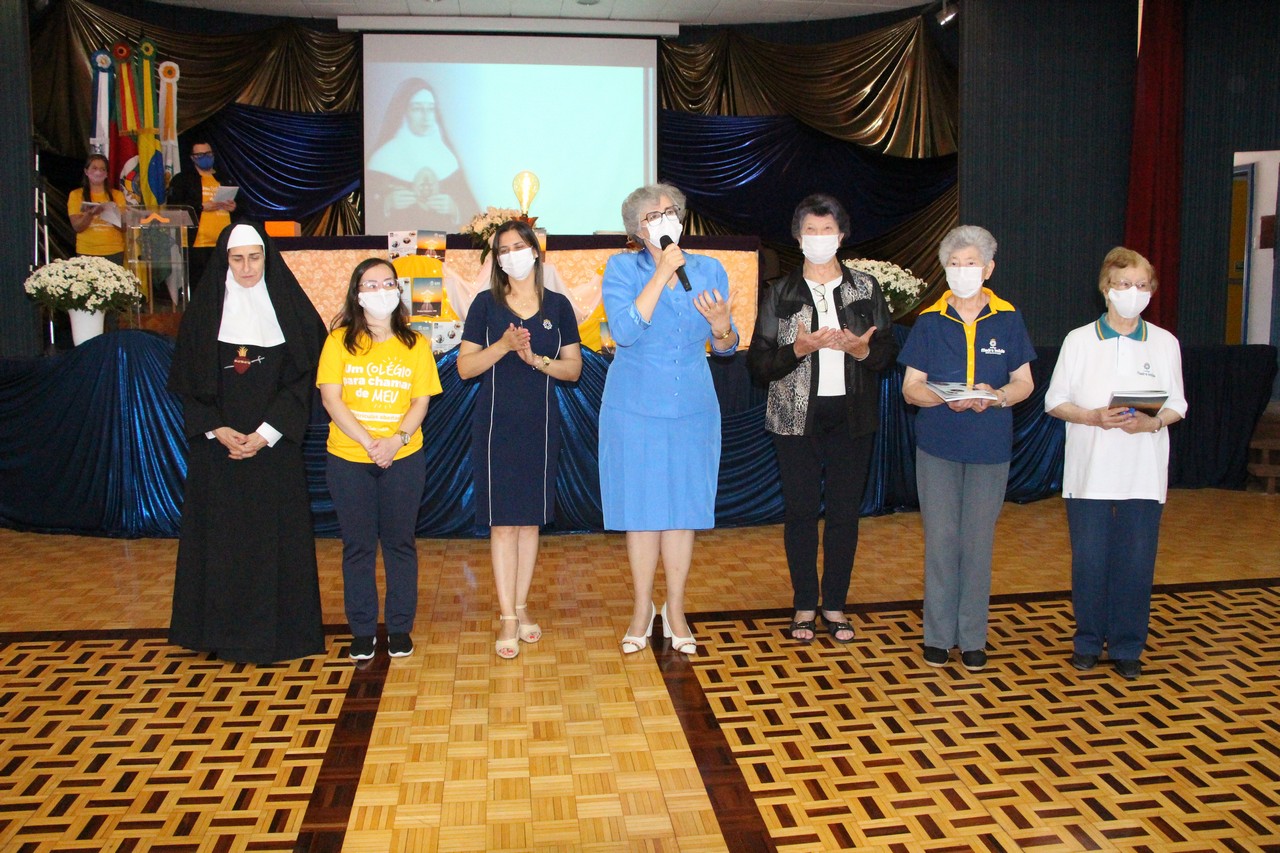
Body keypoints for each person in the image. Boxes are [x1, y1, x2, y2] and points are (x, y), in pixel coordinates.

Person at [167, 222, 325, 664]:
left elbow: (303, 378)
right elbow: (188, 382)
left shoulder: (290, 310)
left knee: (276, 541)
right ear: (225, 262)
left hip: (273, 450)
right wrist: (216, 429)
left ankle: (283, 634)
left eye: (255, 257)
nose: (247, 267)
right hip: (218, 452)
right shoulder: (204, 313)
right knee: (220, 541)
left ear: (267, 259)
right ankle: (218, 633)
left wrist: (267, 432)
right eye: (237, 259)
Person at [747, 194, 899, 644]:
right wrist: (799, 349)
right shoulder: (780, 292)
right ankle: (803, 605)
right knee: (799, 513)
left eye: (826, 230)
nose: (818, 238)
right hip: (795, 420)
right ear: (798, 238)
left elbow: (887, 352)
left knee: (844, 514)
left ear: (841, 235)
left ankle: (834, 604)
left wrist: (863, 351)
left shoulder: (865, 287)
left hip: (852, 416)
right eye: (810, 231)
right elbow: (758, 365)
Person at [599, 183, 737, 657]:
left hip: (692, 407)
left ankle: (675, 608)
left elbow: (726, 347)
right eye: (654, 215)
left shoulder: (709, 268)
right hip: (634, 408)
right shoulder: (622, 268)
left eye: (671, 211)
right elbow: (624, 331)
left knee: (682, 512)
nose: (666, 219)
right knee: (641, 513)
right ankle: (642, 608)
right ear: (637, 230)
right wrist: (660, 272)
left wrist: (722, 327)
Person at [898, 225, 1036, 672]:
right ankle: (938, 636)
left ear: (989, 268)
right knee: (942, 542)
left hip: (990, 447)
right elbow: (910, 388)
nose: (963, 271)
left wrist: (997, 396)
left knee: (978, 544)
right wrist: (944, 397)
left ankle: (973, 637)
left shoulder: (1008, 318)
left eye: (971, 263)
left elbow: (1024, 383)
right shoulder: (929, 320)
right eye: (954, 264)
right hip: (938, 445)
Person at [1045, 247, 1186, 680]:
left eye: (1142, 285)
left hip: (1142, 473)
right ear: (1107, 288)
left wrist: (1153, 422)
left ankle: (1128, 645)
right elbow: (1054, 401)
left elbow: (1178, 403)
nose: (1133, 293)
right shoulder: (1078, 340)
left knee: (1136, 563)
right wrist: (1091, 417)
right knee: (1089, 562)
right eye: (1125, 284)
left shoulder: (1164, 342)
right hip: (1088, 474)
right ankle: (1088, 641)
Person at [456, 220, 583, 659]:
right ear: (496, 259)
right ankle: (507, 615)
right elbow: (465, 368)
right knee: (503, 524)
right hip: (495, 426)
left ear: (534, 251)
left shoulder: (559, 306)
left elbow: (573, 369)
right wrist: (504, 346)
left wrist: (538, 360)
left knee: (529, 523)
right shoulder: (485, 304)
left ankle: (522, 606)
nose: (512, 255)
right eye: (504, 249)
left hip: (540, 425)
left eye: (518, 246)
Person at [317, 258, 442, 661]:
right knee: (357, 546)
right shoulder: (338, 341)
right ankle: (363, 630)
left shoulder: (415, 344)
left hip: (404, 457)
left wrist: (395, 441)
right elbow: (331, 398)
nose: (381, 291)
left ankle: (399, 627)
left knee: (400, 543)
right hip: (349, 458)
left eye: (388, 283)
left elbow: (420, 401)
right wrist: (371, 442)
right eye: (370, 285)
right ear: (357, 294)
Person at [366, 79, 479, 233]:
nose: (426, 117)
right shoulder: (382, 159)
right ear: (404, 112)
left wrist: (454, 209)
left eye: (431, 109)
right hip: (399, 245)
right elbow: (365, 214)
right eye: (417, 109)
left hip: (444, 245)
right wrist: (387, 203)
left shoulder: (447, 157)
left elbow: (473, 212)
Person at [167, 140, 237, 288]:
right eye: (200, 155)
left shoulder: (225, 178)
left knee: (225, 285)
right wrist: (201, 206)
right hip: (197, 243)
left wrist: (234, 207)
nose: (205, 157)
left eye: (208, 154)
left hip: (224, 242)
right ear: (192, 158)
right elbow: (174, 207)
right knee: (200, 285)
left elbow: (243, 205)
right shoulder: (182, 179)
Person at [67, 153, 127, 264]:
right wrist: (90, 214)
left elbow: (124, 227)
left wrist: (109, 214)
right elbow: (77, 227)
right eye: (94, 168)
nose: (98, 172)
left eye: (102, 169)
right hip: (86, 251)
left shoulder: (117, 195)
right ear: (86, 171)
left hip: (114, 250)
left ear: (106, 174)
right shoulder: (76, 195)